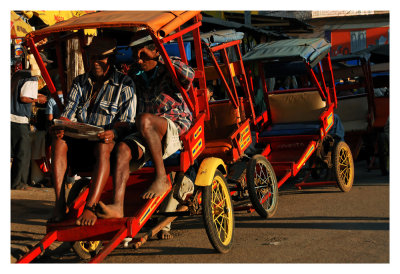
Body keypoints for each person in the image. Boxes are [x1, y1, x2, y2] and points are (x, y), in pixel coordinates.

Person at [97, 36, 194, 234]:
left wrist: (162, 57)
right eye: (136, 56)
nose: (139, 60)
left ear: (156, 52)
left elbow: (189, 75)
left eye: (144, 55)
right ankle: (117, 206)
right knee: (123, 148)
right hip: (145, 128)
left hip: (173, 123)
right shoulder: (135, 74)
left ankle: (161, 177)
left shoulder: (169, 66)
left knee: (145, 120)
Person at [49, 36, 137, 226]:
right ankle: (59, 203)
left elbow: (127, 122)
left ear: (111, 60)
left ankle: (90, 206)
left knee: (104, 145)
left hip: (107, 147)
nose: (95, 62)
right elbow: (68, 112)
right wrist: (61, 125)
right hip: (80, 144)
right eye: (92, 57)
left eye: (100, 58)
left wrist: (113, 133)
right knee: (58, 141)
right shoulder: (80, 82)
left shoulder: (125, 84)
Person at [11, 52, 49, 190]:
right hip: (19, 118)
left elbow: (19, 92)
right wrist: (38, 99)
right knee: (23, 153)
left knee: (16, 153)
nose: (45, 67)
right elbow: (24, 98)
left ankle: (15, 182)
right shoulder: (32, 77)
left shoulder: (19, 74)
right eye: (44, 64)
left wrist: (35, 95)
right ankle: (19, 184)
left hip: (11, 117)